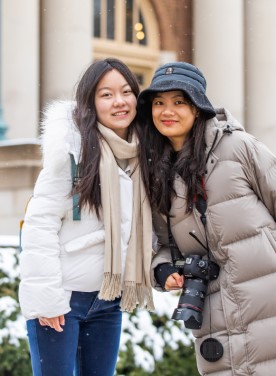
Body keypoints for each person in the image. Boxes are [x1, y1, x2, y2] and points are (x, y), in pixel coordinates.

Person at [137, 61, 276, 375]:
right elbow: (161, 245)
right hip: (214, 318)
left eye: (178, 102)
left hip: (268, 305)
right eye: (158, 103)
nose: (166, 111)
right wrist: (162, 272)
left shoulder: (238, 148)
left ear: (197, 107)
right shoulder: (156, 174)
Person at [19, 57, 154, 376]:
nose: (119, 101)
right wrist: (48, 300)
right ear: (91, 102)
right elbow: (40, 226)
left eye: (126, 91)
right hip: (62, 301)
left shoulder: (139, 157)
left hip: (108, 301)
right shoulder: (70, 154)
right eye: (106, 94)